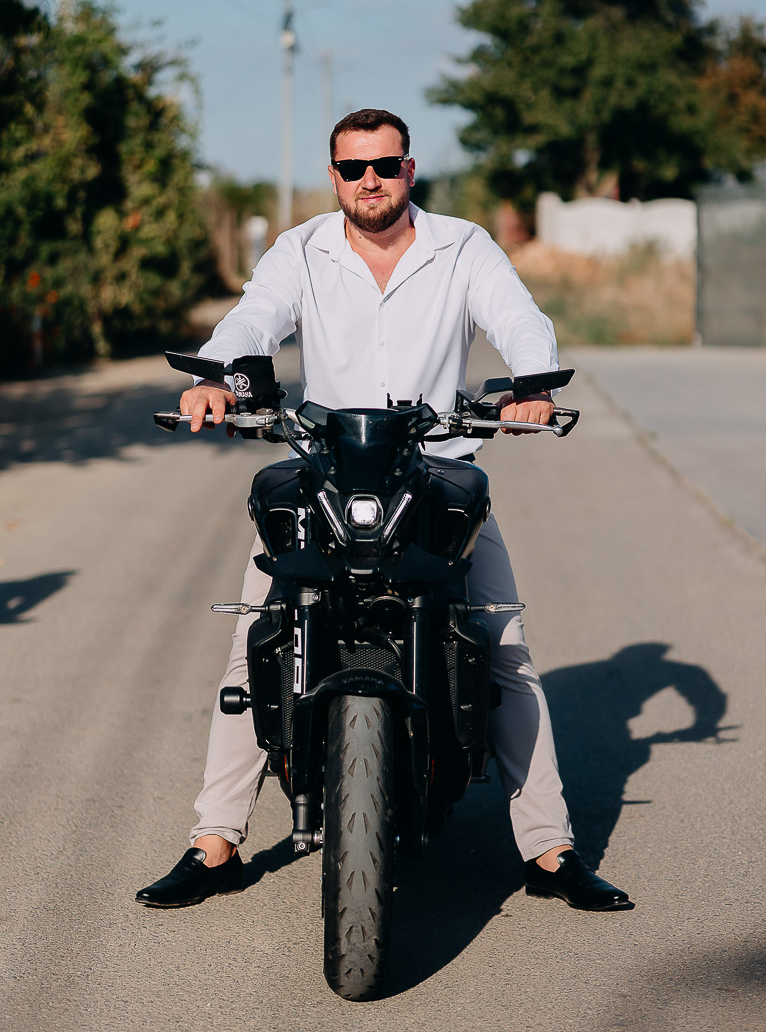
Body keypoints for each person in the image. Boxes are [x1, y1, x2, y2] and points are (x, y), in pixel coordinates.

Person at [136, 108, 630, 912]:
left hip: (437, 472)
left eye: (386, 165)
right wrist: (219, 379)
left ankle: (551, 849)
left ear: (409, 170)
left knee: (505, 649)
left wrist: (532, 386)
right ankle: (215, 842)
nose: (370, 180)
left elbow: (516, 317)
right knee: (254, 639)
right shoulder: (302, 249)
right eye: (353, 167)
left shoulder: (462, 246)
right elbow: (254, 317)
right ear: (334, 176)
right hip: (327, 471)